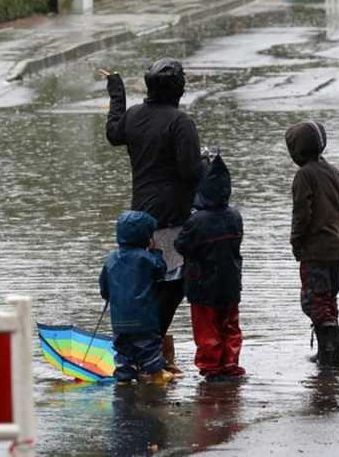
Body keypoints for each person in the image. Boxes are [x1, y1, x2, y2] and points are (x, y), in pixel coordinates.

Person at [105, 59, 204, 374]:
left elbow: (113, 132)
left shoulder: (134, 116)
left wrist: (116, 93)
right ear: (177, 89)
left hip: (141, 218)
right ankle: (152, 346)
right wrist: (208, 163)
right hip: (172, 219)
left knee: (145, 284)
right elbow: (190, 172)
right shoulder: (180, 123)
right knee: (174, 285)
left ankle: (143, 349)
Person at [174, 154, 245, 380]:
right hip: (231, 283)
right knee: (230, 326)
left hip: (202, 285)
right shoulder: (235, 216)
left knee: (207, 329)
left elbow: (181, 245)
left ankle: (211, 368)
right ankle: (231, 365)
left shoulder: (196, 221)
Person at [285, 121, 339, 368]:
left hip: (315, 250)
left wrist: (297, 241)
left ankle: (329, 356)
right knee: (329, 298)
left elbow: (302, 212)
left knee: (314, 300)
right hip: (337, 248)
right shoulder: (333, 171)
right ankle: (329, 354)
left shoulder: (304, 175)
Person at [99, 210, 174, 385]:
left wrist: (108, 295)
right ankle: (156, 374)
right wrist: (156, 252)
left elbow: (104, 286)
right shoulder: (147, 258)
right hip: (144, 316)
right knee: (148, 345)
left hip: (119, 319)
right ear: (145, 236)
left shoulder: (110, 259)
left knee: (123, 348)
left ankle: (124, 377)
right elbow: (160, 272)